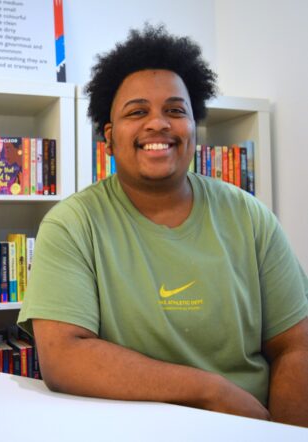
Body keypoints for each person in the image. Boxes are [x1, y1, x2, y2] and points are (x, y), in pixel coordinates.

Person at [18, 24, 308, 426]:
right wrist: (211, 391)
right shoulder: (72, 225)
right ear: (109, 138)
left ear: (193, 128)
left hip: (253, 426)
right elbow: (64, 356)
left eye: (175, 110)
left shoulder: (250, 216)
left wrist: (285, 436)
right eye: (137, 112)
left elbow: (296, 346)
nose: (158, 124)